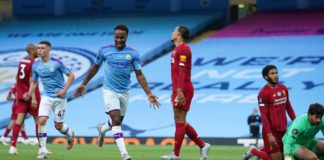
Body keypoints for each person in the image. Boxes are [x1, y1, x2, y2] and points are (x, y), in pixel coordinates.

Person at [73, 24, 160, 160]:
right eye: (117, 37)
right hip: (109, 90)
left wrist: (148, 93)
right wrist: (84, 84)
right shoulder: (104, 50)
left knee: (116, 121)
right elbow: (95, 67)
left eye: (122, 38)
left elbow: (139, 74)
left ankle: (102, 129)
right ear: (114, 36)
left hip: (125, 91)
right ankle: (124, 154)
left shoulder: (133, 53)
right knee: (116, 120)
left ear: (126, 37)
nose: (119, 40)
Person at [160, 26, 210, 160]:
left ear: (179, 34)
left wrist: (179, 90)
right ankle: (202, 145)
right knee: (179, 120)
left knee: (179, 120)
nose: (172, 32)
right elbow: (176, 73)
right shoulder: (177, 49)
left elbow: (182, 71)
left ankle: (176, 154)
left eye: (174, 31)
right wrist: (175, 90)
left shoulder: (184, 49)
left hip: (184, 89)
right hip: (178, 89)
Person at [23, 41, 75, 159]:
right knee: (41, 121)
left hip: (60, 98)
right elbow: (35, 82)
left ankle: (70, 135)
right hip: (46, 96)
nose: (39, 50)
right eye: (38, 48)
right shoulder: (35, 66)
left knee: (58, 126)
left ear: (49, 50)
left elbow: (71, 76)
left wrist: (64, 90)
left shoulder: (57, 63)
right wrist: (29, 94)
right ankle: (42, 151)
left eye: (42, 48)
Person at [243, 65, 296, 160]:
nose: (276, 75)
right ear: (266, 77)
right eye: (272, 73)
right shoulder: (263, 93)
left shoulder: (283, 88)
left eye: (276, 73)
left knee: (285, 157)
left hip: (283, 130)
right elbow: (264, 115)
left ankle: (261, 149)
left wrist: (296, 123)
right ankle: (253, 150)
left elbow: (289, 107)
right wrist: (269, 134)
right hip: (271, 131)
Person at [8, 44, 41, 155]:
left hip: (22, 95)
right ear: (32, 50)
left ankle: (12, 147)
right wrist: (34, 98)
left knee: (18, 121)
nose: (38, 51)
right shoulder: (33, 63)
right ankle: (42, 148)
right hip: (31, 95)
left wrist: (19, 92)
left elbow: (17, 78)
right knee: (38, 121)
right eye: (37, 49)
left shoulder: (22, 61)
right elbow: (33, 81)